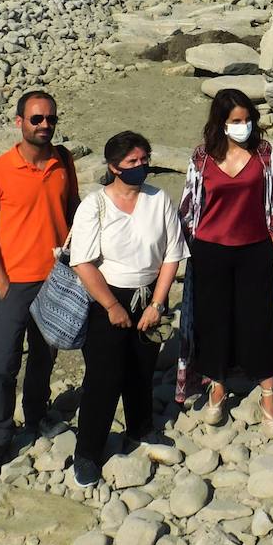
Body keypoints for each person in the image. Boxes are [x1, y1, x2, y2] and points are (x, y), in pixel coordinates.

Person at [68, 131, 187, 487]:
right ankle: (87, 452)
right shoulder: (95, 205)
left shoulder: (158, 199)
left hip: (148, 295)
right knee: (104, 378)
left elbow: (172, 254)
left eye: (144, 160)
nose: (140, 167)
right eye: (132, 162)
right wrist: (110, 306)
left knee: (141, 368)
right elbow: (83, 262)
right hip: (107, 295)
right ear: (114, 167)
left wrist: (157, 303)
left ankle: (141, 428)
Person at [0, 90, 80, 483]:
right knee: (2, 361)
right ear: (19, 122)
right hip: (13, 283)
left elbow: (71, 211)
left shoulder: (63, 161)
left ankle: (36, 414)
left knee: (43, 355)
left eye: (50, 118)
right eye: (36, 119)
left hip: (55, 279)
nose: (45, 125)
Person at [176, 89, 273, 438]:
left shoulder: (264, 152)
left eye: (247, 119)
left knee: (259, 322)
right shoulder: (203, 156)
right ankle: (218, 387)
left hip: (255, 247)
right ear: (221, 123)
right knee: (215, 322)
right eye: (235, 121)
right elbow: (189, 204)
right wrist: (189, 245)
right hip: (211, 250)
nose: (243, 126)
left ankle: (269, 394)